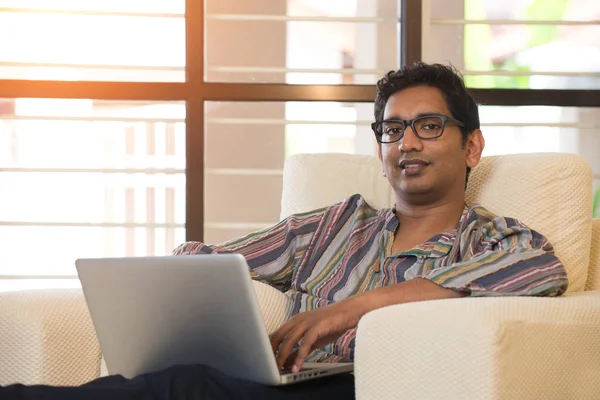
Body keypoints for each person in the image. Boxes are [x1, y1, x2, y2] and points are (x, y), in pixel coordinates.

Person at [1, 62, 568, 400]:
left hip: (374, 388)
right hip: (284, 385)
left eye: (427, 126)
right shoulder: (332, 226)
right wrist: (184, 285)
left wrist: (353, 308)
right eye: (391, 130)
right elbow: (212, 258)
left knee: (185, 387)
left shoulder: (498, 239)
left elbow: (543, 271)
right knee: (179, 380)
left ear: (471, 145)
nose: (407, 144)